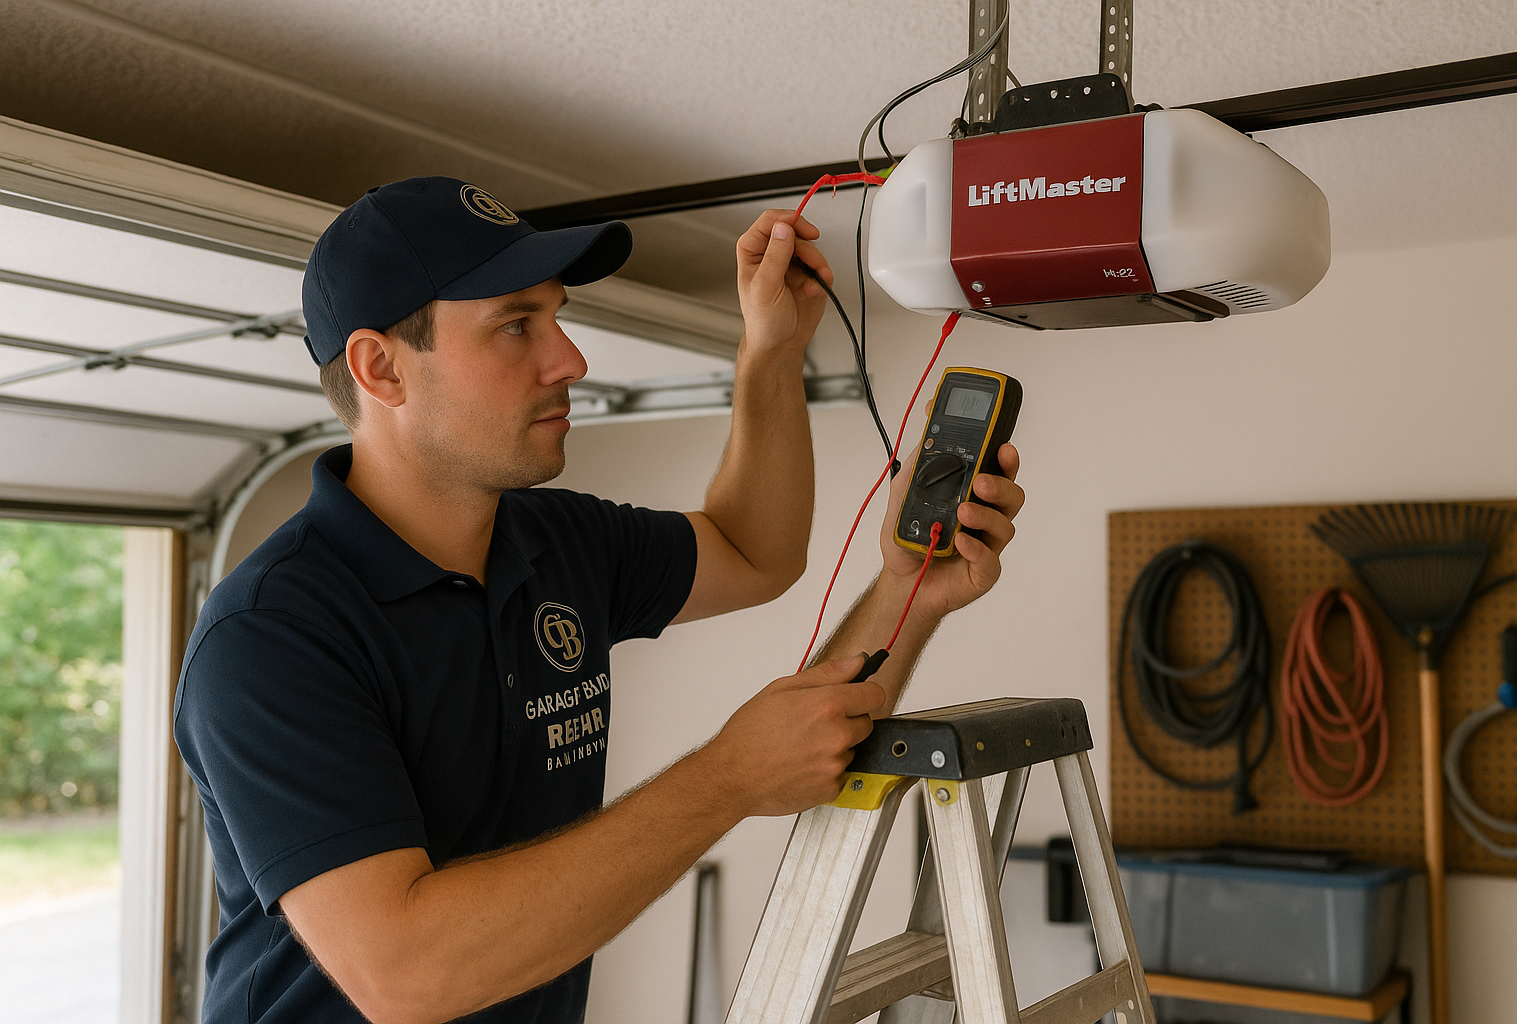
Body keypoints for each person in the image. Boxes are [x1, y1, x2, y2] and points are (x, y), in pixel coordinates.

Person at [173, 176, 1024, 1024]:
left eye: (556, 315)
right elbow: (408, 975)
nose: (570, 359)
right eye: (516, 326)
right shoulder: (273, 635)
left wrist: (775, 359)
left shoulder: (555, 541)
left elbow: (753, 550)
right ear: (381, 368)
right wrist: (727, 779)